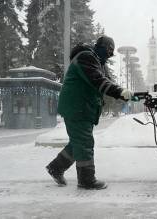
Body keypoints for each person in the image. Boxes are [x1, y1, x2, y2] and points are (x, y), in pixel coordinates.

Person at [46, 36, 133, 190]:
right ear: (102, 47)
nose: (109, 55)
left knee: (78, 142)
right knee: (85, 142)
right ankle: (86, 180)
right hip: (76, 107)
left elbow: (107, 80)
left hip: (82, 108)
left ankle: (56, 168)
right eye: (109, 51)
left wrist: (125, 93)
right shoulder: (86, 57)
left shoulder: (97, 61)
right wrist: (120, 92)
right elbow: (99, 81)